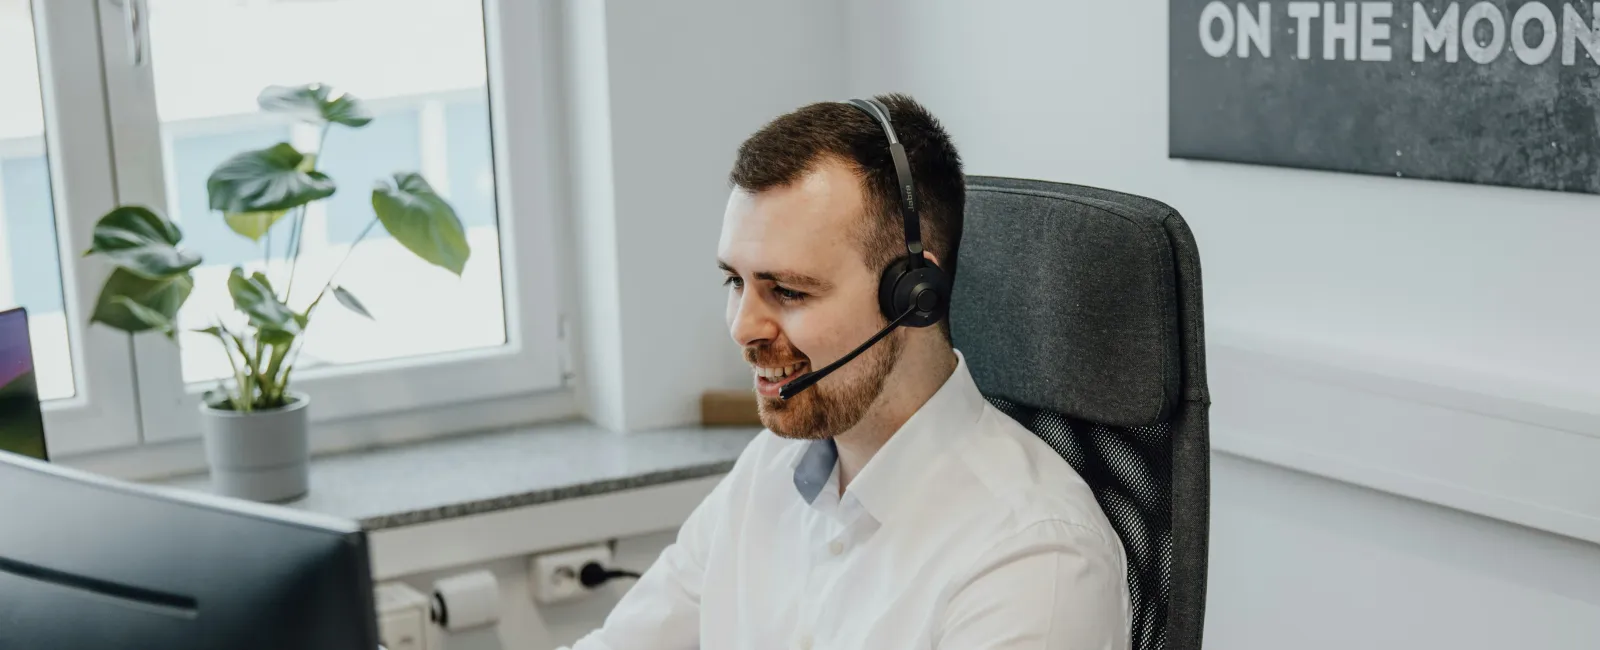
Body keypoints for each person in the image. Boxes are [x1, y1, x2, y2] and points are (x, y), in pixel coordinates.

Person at [565, 94, 1129, 650]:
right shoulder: (769, 470)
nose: (742, 327)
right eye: (735, 282)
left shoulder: (1031, 561)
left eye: (786, 290)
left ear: (914, 295)